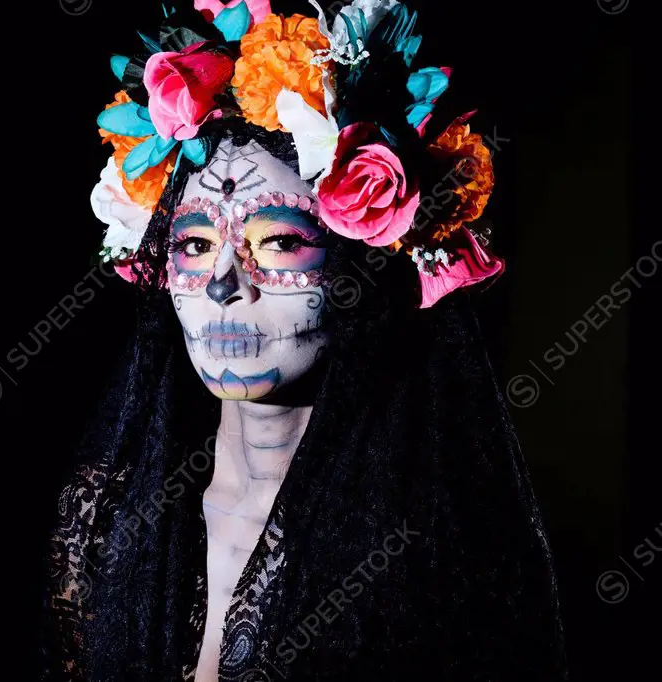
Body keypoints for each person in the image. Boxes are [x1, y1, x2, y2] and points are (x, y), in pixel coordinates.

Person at [41, 2, 568, 680]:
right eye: (195, 245)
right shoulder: (108, 517)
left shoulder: (434, 543)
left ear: (359, 266)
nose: (224, 285)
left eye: (281, 242)